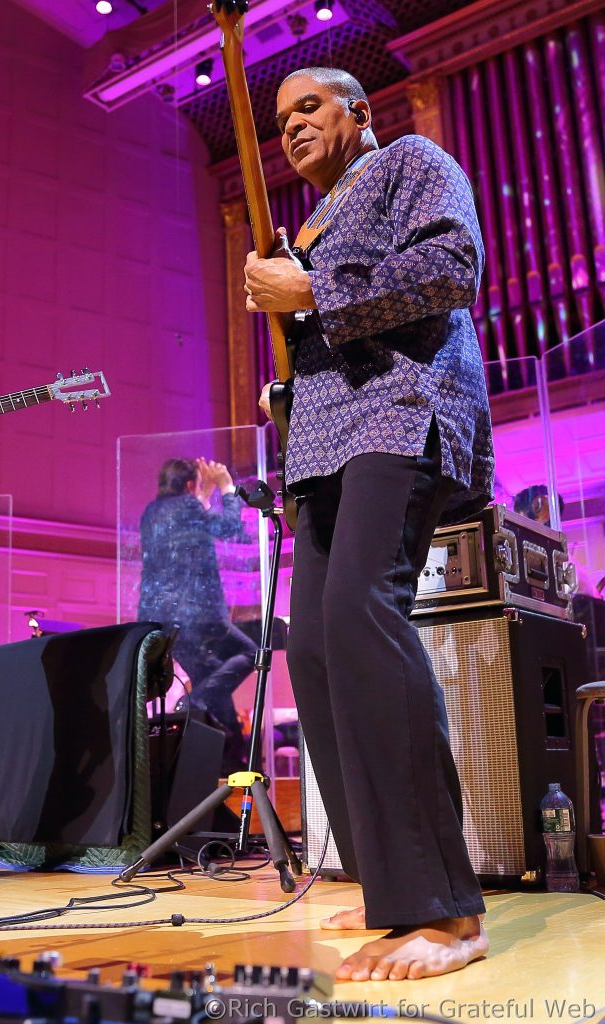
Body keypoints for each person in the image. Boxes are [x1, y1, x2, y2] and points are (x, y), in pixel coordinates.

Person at [244, 68, 494, 980]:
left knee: (359, 614)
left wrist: (308, 291)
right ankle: (388, 880)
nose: (291, 127)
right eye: (280, 120)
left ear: (359, 110)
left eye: (308, 107)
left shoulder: (410, 163)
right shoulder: (309, 223)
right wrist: (286, 374)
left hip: (400, 412)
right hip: (321, 444)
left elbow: (451, 267)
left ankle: (445, 908)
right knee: (312, 644)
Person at [138, 457, 256, 769]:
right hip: (198, 614)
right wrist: (226, 487)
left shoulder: (151, 512)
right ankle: (192, 703)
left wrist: (203, 495)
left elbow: (193, 529)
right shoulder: (188, 507)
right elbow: (230, 527)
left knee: (214, 678)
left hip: (162, 618)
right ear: (190, 485)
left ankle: (233, 759)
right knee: (252, 653)